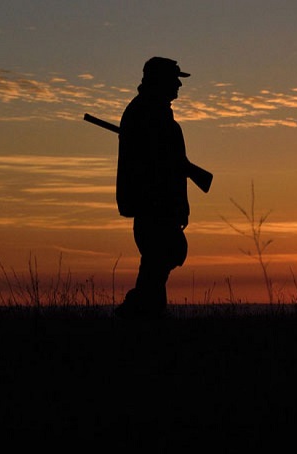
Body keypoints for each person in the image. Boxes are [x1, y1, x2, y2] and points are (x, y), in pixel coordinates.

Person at [114, 57, 192, 319]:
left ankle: (142, 321)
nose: (179, 85)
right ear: (160, 81)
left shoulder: (151, 113)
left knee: (156, 270)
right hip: (153, 208)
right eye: (174, 79)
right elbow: (153, 168)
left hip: (159, 208)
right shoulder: (147, 114)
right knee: (155, 270)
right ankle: (133, 319)